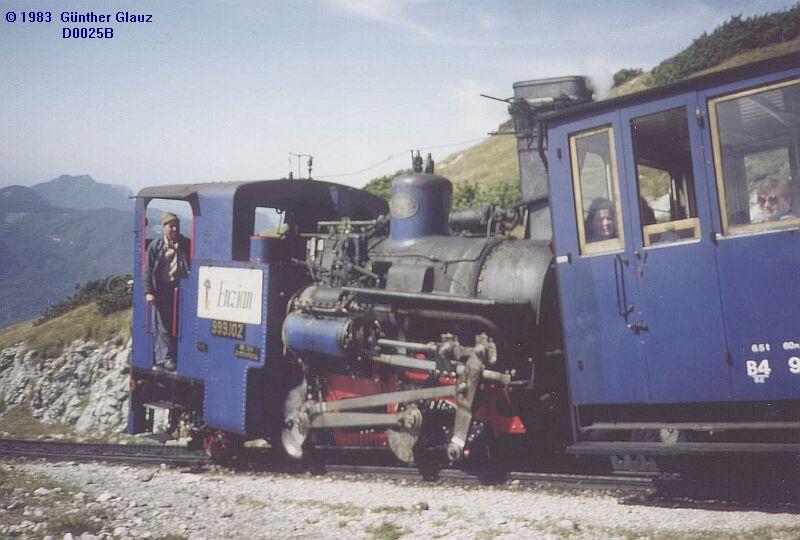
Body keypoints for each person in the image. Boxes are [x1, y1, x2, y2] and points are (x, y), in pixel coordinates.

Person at [143, 212, 191, 371]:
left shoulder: (184, 244)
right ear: (164, 227)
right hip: (161, 288)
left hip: (180, 288)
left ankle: (175, 354)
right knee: (163, 324)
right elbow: (148, 271)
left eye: (176, 225)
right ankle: (165, 358)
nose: (174, 229)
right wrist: (149, 292)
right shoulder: (155, 246)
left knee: (178, 322)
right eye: (171, 226)